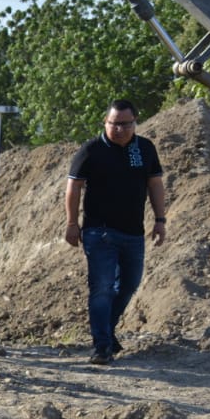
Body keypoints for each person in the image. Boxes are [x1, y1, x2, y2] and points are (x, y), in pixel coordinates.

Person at [64, 99, 167, 365]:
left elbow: (154, 184)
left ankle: (106, 332)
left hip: (133, 232)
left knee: (130, 284)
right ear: (105, 123)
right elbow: (73, 188)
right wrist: (72, 224)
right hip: (100, 232)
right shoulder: (91, 150)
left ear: (135, 123)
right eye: (114, 124)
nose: (120, 129)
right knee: (102, 288)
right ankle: (101, 346)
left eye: (125, 124)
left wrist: (160, 219)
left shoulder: (144, 148)